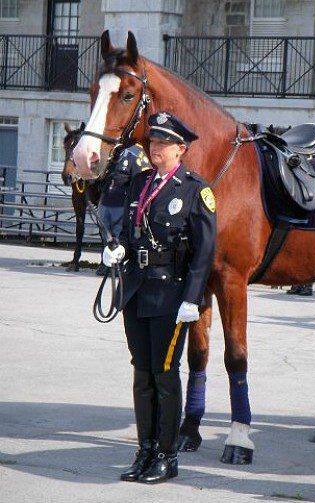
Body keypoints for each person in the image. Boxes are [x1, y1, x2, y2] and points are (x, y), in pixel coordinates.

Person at [103, 111, 217, 484]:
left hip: (171, 294)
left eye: (163, 143)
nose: (155, 148)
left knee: (165, 375)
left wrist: (193, 298)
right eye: (153, 142)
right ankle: (145, 450)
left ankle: (167, 456)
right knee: (142, 373)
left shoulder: (194, 189)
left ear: (180, 149)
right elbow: (125, 226)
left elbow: (204, 251)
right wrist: (115, 247)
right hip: (136, 291)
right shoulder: (139, 183)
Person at [96, 145, 152, 275]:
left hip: (121, 203)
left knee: (118, 235)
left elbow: (140, 182)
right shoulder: (110, 153)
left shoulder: (135, 154)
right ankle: (105, 264)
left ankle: (117, 266)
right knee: (105, 234)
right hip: (105, 201)